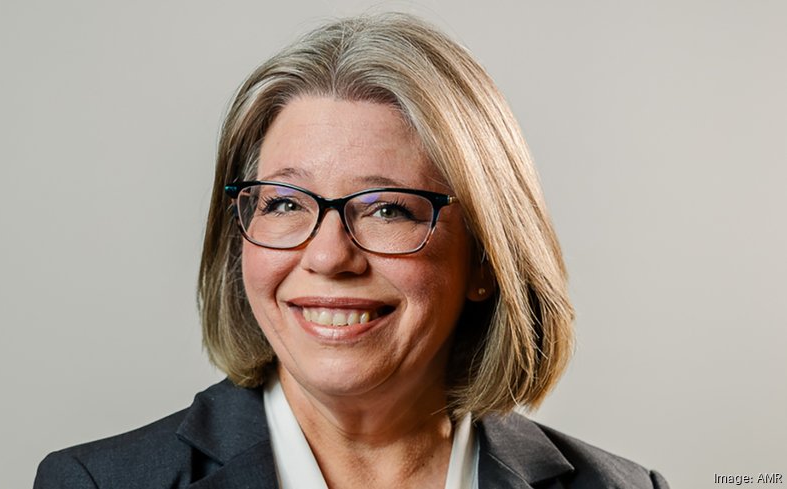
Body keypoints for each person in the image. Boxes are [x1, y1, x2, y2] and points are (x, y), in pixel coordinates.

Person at [34, 13, 669, 489]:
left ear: (485, 258)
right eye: (285, 203)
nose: (328, 257)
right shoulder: (98, 483)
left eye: (388, 208)